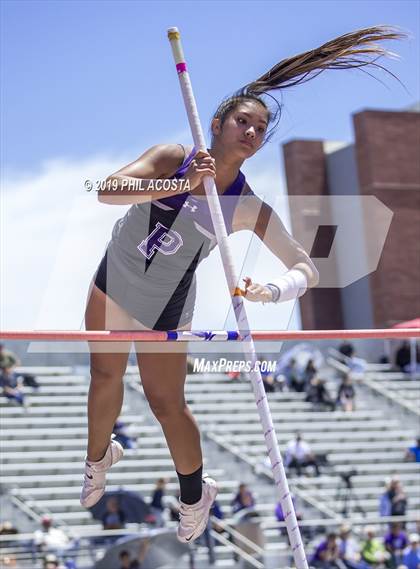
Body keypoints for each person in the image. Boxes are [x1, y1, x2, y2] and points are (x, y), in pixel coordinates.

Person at [79, 25, 404, 546]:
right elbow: (106, 191)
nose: (250, 132)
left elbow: (307, 267)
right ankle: (99, 460)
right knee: (104, 378)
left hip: (167, 300)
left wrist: (270, 291)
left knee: (167, 404)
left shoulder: (247, 205)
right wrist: (179, 185)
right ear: (217, 124)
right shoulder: (173, 156)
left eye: (259, 128)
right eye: (242, 122)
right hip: (115, 280)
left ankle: (194, 493)